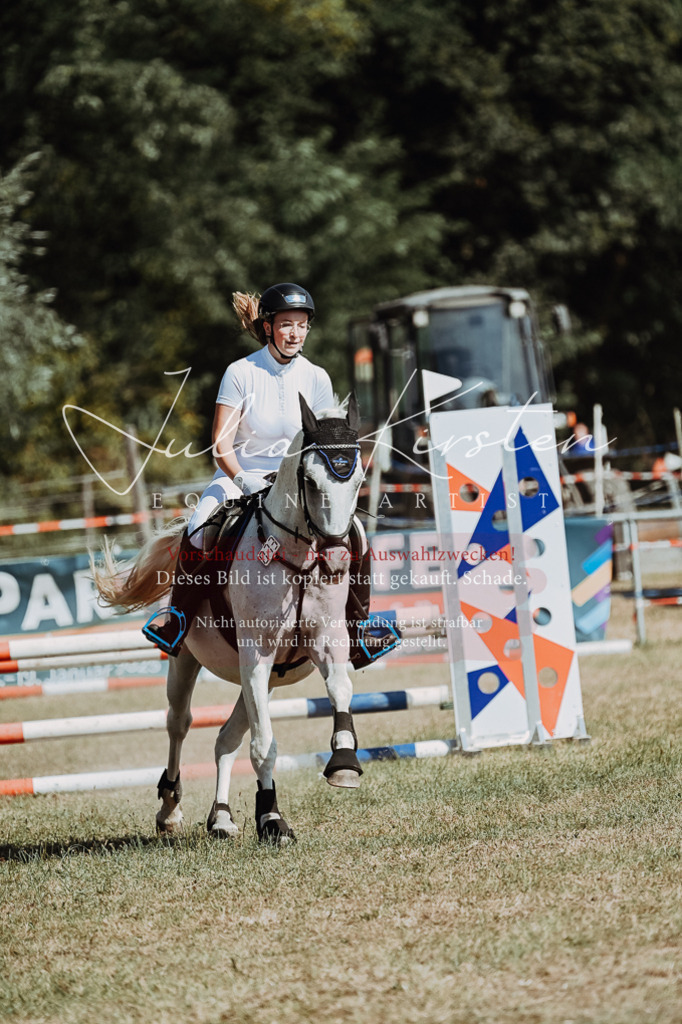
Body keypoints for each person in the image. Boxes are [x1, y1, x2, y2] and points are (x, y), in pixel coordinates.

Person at [146, 282, 337, 655]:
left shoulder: (318, 377)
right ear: (268, 327)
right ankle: (177, 620)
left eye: (301, 325)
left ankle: (360, 624)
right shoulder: (240, 372)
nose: (295, 333)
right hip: (240, 476)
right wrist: (242, 478)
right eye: (286, 325)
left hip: (297, 483)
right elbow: (221, 442)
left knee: (352, 535)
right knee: (200, 529)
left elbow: (324, 441)